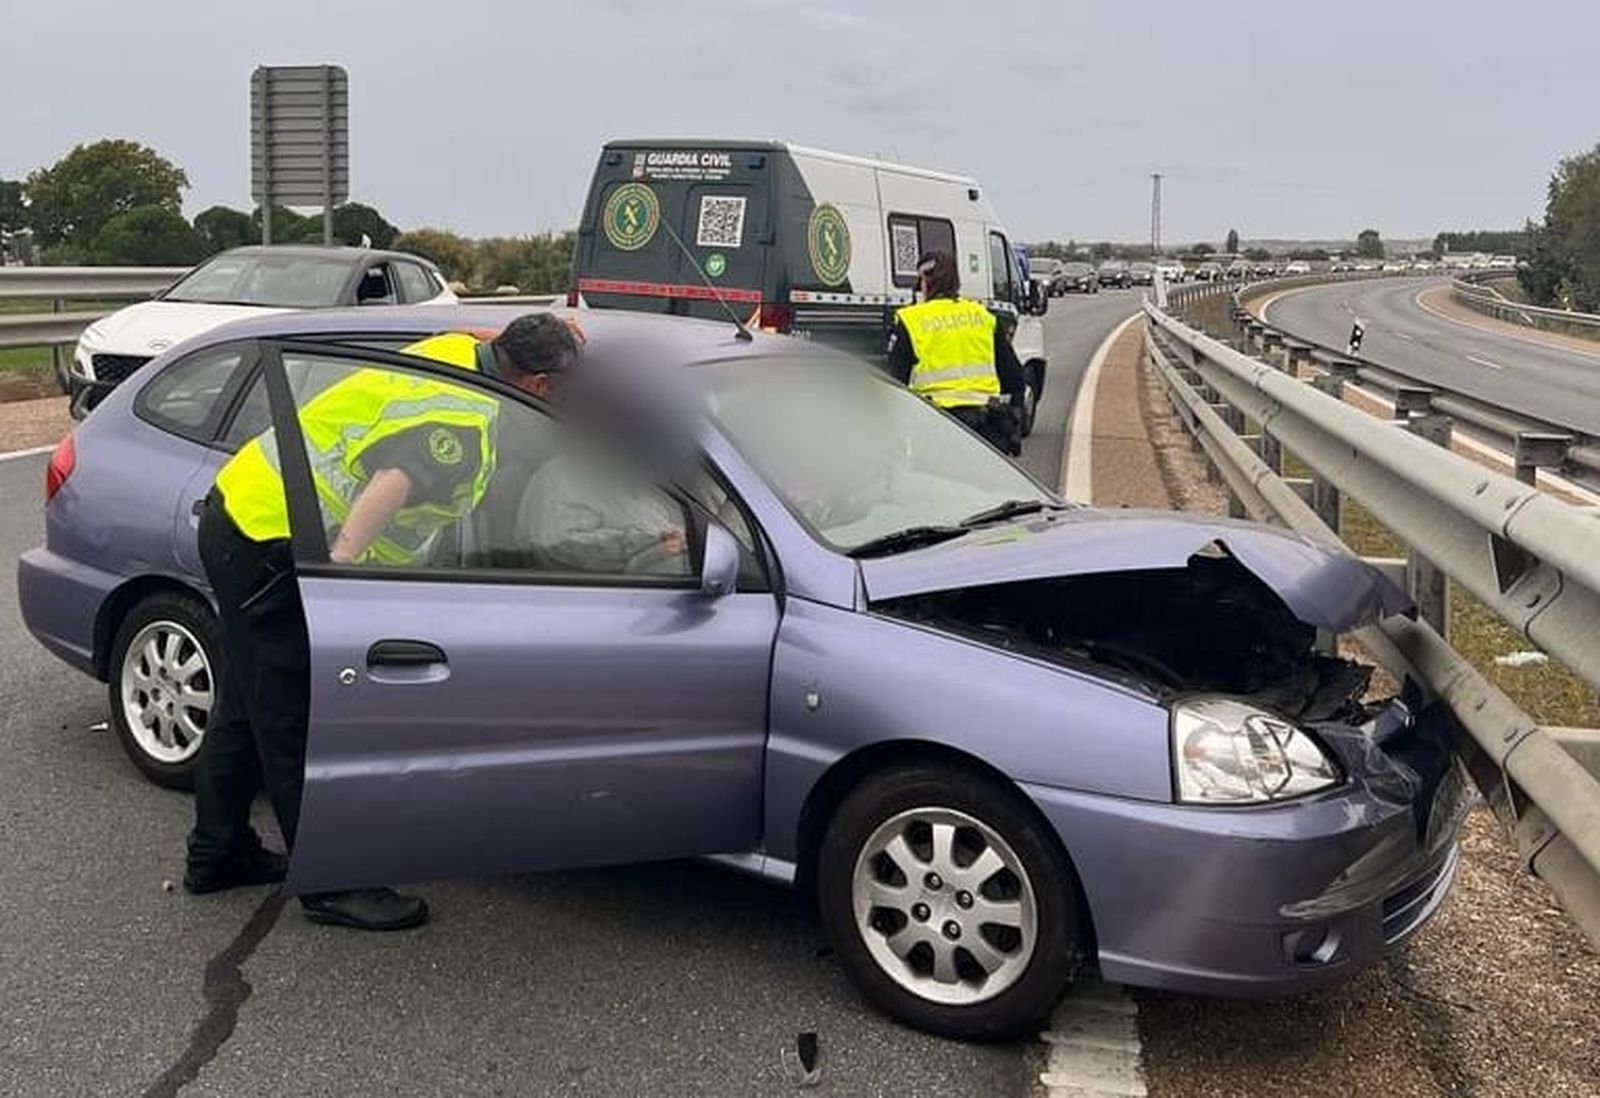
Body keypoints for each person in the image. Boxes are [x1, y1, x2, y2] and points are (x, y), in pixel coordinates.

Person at [184, 313, 582, 931]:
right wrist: (336, 574)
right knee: (296, 718)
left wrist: (567, 337)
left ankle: (217, 853)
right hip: (278, 544)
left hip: (241, 508)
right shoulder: (460, 424)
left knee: (248, 700)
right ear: (533, 385)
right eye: (558, 388)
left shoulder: (456, 351)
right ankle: (331, 883)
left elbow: (495, 344)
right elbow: (392, 482)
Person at [885, 250, 1025, 455]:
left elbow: (895, 384)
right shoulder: (983, 317)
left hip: (937, 428)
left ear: (925, 282)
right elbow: (1014, 379)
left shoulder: (911, 320)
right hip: (984, 429)